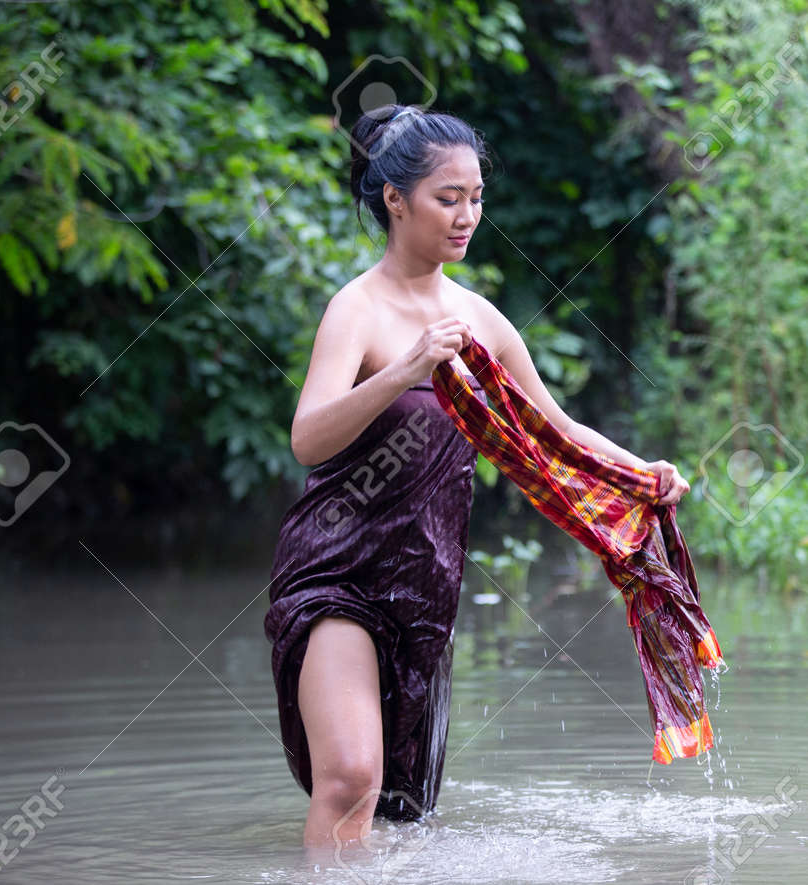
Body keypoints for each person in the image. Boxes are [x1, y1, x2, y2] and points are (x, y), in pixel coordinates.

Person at [263, 103, 692, 851]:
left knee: (398, 805)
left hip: (425, 583)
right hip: (334, 572)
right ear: (395, 200)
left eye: (476, 197)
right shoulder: (355, 310)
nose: (468, 216)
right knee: (350, 779)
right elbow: (307, 437)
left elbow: (554, 429)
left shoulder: (480, 318)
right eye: (448, 198)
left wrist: (638, 472)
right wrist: (406, 367)